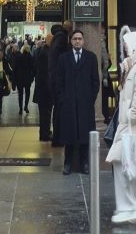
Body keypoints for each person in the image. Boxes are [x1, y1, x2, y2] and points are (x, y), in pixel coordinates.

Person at [107, 26, 136, 227]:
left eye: (128, 46)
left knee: (135, 167)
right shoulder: (133, 67)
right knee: (128, 164)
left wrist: (132, 115)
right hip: (130, 125)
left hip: (134, 126)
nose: (126, 49)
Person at [55, 28, 99, 176]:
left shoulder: (91, 58)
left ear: (83, 41)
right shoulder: (63, 58)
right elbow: (58, 80)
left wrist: (90, 98)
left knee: (85, 134)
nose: (77, 41)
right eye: (75, 39)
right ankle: (67, 163)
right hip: (68, 103)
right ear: (71, 41)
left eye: (80, 39)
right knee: (69, 134)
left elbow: (95, 81)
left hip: (85, 103)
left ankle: (84, 163)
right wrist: (63, 98)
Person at [47, 25, 68, 147]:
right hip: (58, 81)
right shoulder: (61, 38)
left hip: (54, 80)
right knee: (59, 110)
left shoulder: (56, 39)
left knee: (57, 110)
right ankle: (58, 138)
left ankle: (58, 137)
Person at [33, 34, 53, 142]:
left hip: (42, 89)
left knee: (45, 113)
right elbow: (45, 73)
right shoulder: (46, 54)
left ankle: (45, 132)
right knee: (45, 113)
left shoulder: (41, 51)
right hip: (44, 90)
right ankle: (45, 134)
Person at [13, 42, 33, 116]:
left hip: (19, 79)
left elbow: (15, 68)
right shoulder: (31, 57)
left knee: (20, 94)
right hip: (27, 79)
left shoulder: (19, 57)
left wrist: (14, 79)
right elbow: (33, 68)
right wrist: (32, 77)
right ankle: (26, 106)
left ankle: (20, 109)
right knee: (27, 93)